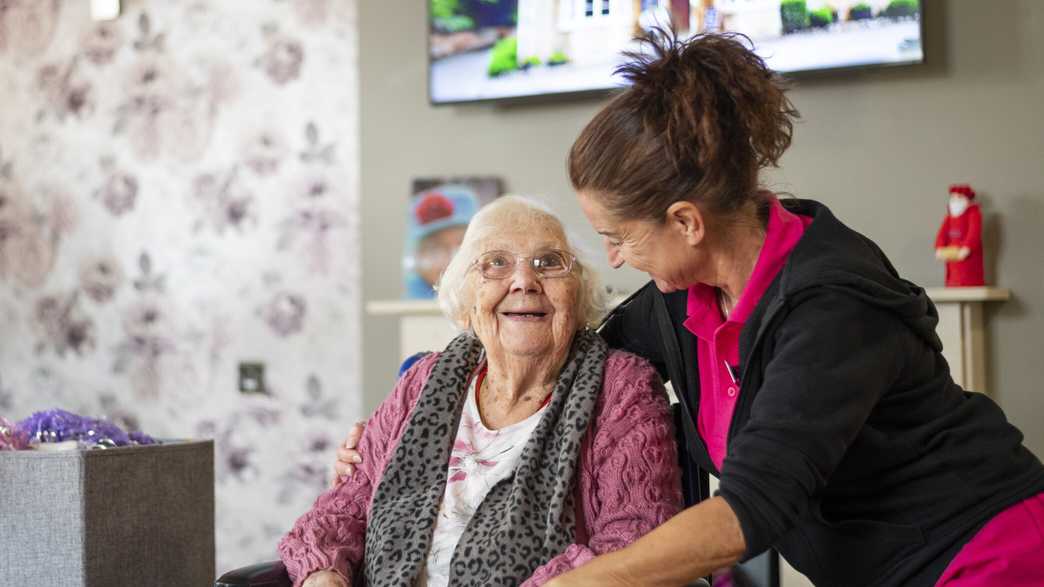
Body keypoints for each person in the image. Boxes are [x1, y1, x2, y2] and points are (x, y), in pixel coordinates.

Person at [334, 31, 1044, 587]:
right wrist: (405, 430)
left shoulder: (832, 308)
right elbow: (559, 358)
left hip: (985, 551)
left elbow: (748, 513)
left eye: (616, 237)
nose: (609, 259)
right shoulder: (682, 303)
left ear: (686, 222)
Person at [282, 196, 682, 587]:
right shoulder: (422, 382)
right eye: (496, 263)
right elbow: (338, 514)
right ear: (467, 298)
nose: (524, 281)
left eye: (549, 263)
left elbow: (635, 541)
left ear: (577, 294)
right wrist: (324, 577)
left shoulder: (621, 389)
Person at [934, 183, 984, 287]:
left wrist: (967, 248)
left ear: (967, 200)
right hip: (952, 256)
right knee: (954, 277)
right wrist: (939, 247)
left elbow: (974, 233)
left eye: (959, 197)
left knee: (968, 276)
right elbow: (941, 234)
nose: (955, 200)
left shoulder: (973, 214)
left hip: (967, 258)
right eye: (953, 198)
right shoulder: (949, 217)